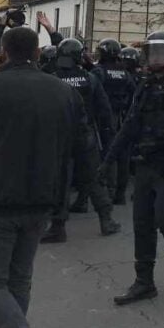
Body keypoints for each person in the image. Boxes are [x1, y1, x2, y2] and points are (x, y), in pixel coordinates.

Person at [0, 26, 84, 328]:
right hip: (40, 202)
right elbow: (81, 145)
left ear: (2, 52)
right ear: (38, 53)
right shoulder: (63, 91)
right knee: (17, 283)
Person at [104, 31, 164, 306]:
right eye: (152, 52)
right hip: (145, 162)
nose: (155, 57)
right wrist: (109, 160)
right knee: (142, 225)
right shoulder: (145, 86)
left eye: (161, 52)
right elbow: (129, 125)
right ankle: (144, 282)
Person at [43, 38, 121, 242]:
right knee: (95, 179)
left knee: (60, 181)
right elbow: (104, 111)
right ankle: (106, 220)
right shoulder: (90, 78)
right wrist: (107, 137)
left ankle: (57, 226)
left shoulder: (50, 78)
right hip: (85, 133)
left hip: (59, 136)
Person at [93, 38, 136, 204]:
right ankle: (120, 193)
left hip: (104, 117)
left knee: (108, 153)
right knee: (123, 154)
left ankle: (109, 191)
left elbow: (94, 93)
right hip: (122, 115)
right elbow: (134, 91)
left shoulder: (99, 71)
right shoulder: (124, 72)